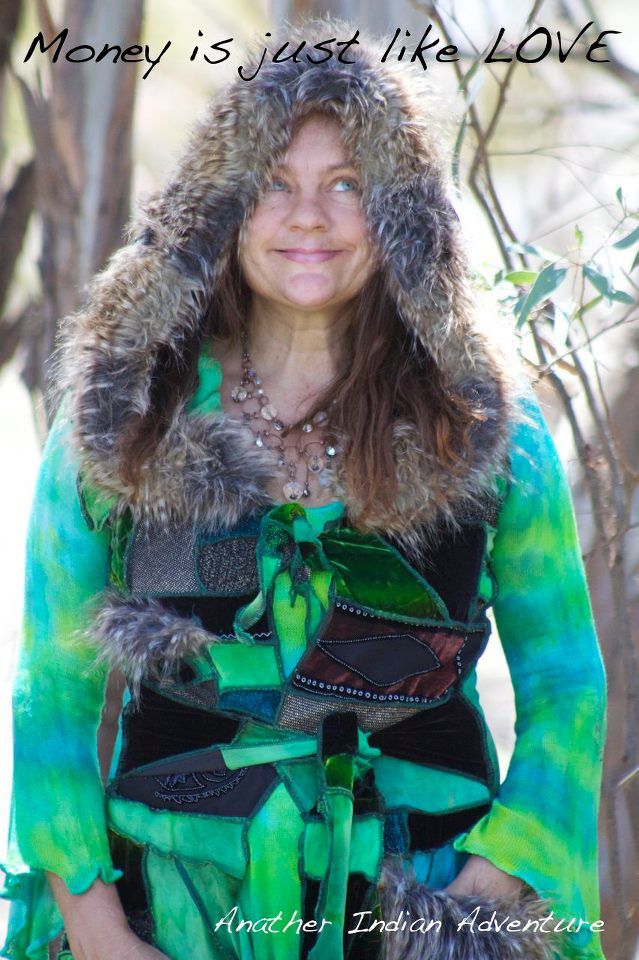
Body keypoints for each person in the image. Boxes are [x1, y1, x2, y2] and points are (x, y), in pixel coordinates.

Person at [0, 17, 607, 960]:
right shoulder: (127, 417)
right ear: (222, 206)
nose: (309, 216)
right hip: (174, 912)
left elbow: (565, 682)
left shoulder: (483, 423)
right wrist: (99, 930)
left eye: (346, 185)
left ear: (400, 211)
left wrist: (475, 904)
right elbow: (52, 693)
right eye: (274, 183)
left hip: (422, 901)